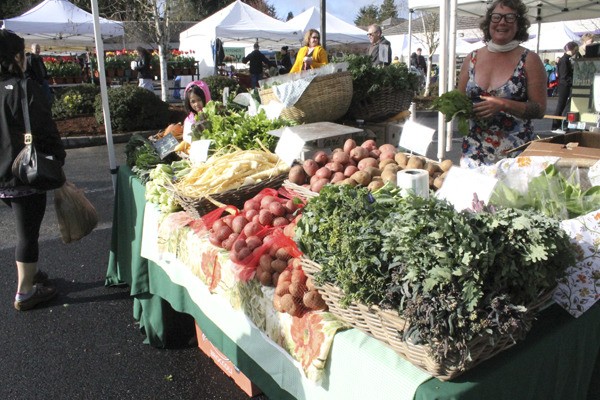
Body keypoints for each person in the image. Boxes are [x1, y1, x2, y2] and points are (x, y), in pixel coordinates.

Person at [0, 30, 66, 311]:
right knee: (27, 233)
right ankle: (25, 292)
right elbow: (44, 128)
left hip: (1, 174)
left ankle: (31, 272)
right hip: (24, 172)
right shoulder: (24, 88)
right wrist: (58, 157)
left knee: (21, 226)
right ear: (15, 56)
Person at [457, 0, 547, 167]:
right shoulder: (472, 58)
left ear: (519, 24)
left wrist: (504, 104)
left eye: (510, 17)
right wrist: (460, 109)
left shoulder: (529, 60)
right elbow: (459, 101)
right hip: (473, 152)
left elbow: (539, 109)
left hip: (514, 155)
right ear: (489, 22)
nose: (502, 22)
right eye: (496, 17)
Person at [551, 41, 578, 133]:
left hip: (565, 84)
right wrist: (573, 82)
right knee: (561, 105)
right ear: (572, 49)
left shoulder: (567, 59)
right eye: (575, 49)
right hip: (564, 85)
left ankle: (558, 125)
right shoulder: (564, 60)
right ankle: (555, 126)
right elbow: (564, 76)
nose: (576, 51)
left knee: (563, 105)